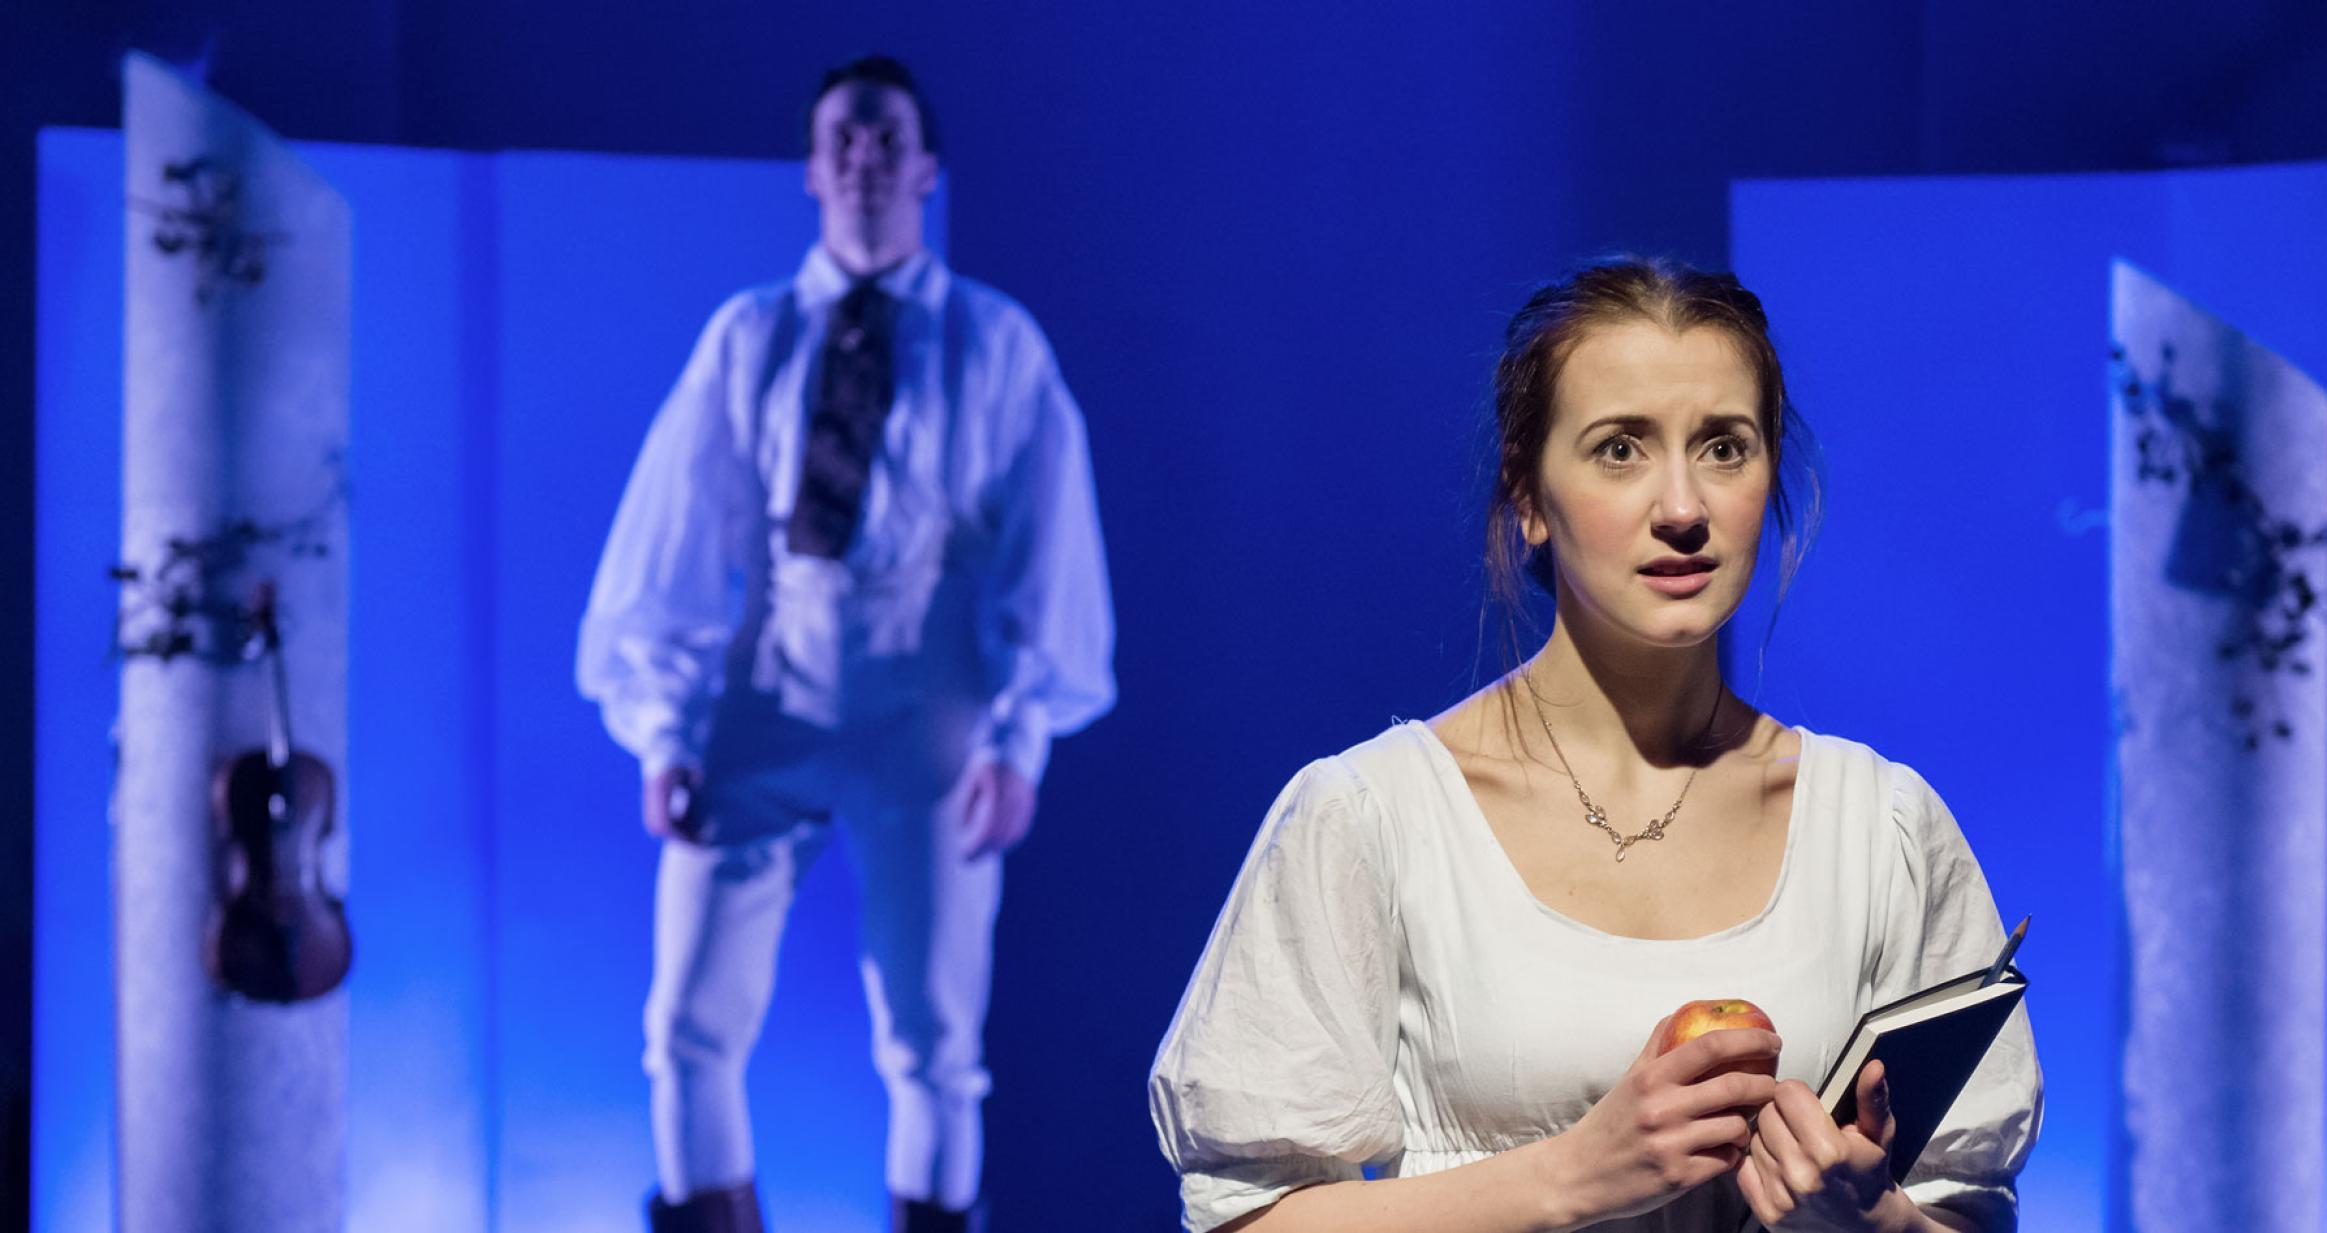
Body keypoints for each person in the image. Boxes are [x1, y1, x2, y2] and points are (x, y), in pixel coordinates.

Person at [1147, 258, 2040, 1232]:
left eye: (1724, 447)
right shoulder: (1373, 819)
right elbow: (1245, 1218)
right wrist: (1569, 1176)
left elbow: (1968, 1208)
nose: (1682, 506)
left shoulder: (1880, 830)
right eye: (1619, 449)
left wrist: (1869, 1222)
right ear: (1528, 494)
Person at [578, 54, 1116, 1233]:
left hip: (926, 698)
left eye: (888, 142)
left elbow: (1052, 550)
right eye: (844, 142)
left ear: (925, 168)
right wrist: (663, 729)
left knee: (932, 1042)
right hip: (772, 681)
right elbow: (672, 533)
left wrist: (1021, 740)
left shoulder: (995, 343)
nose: (866, 162)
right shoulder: (751, 337)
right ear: (814, 171)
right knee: (684, 1027)